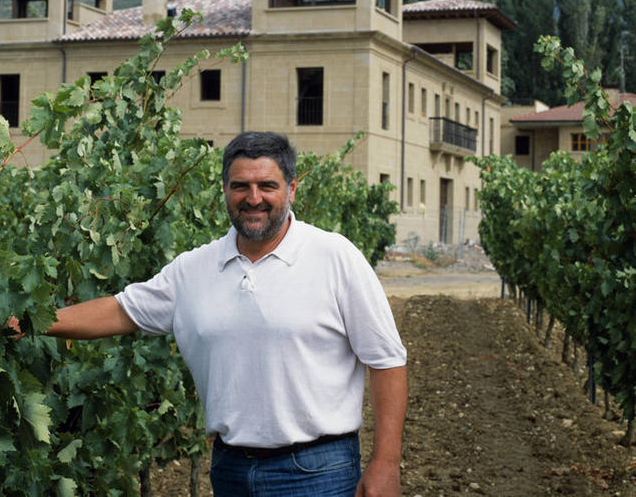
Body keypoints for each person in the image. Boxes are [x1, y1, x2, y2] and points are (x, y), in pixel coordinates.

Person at [34, 131, 407, 497]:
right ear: (225, 191)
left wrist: (386, 464)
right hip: (230, 470)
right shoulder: (194, 268)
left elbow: (387, 360)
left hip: (318, 472)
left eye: (268, 185)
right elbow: (120, 311)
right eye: (240, 185)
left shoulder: (334, 257)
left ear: (292, 189)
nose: (254, 197)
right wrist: (33, 320)